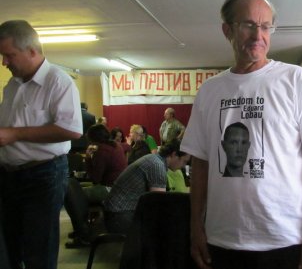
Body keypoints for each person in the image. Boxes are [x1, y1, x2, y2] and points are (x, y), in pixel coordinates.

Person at [180, 0, 302, 269]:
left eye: (266, 26)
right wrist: (195, 227)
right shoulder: (209, 91)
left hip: (287, 240)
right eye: (248, 24)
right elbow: (201, 163)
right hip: (222, 241)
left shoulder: (296, 80)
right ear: (227, 30)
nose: (258, 34)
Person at [0, 20, 83, 269]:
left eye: (9, 55)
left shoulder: (59, 82)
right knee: (9, 247)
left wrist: (15, 134)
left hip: (43, 175)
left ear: (32, 51)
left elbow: (72, 130)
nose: (4, 63)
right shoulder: (12, 86)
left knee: (39, 249)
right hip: (9, 176)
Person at [103, 139, 190, 234]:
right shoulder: (157, 166)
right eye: (184, 161)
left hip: (116, 213)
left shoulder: (153, 158)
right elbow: (158, 204)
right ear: (174, 154)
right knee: (170, 227)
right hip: (120, 216)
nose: (183, 166)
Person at [64, 124, 127, 248]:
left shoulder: (101, 150)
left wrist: (88, 157)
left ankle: (83, 235)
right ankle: (83, 229)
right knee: (76, 191)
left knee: (72, 197)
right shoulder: (115, 145)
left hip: (109, 189)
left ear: (92, 138)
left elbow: (95, 179)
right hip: (118, 187)